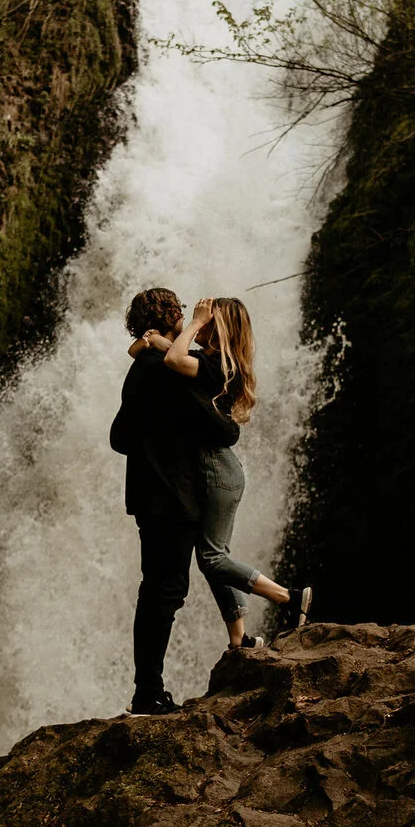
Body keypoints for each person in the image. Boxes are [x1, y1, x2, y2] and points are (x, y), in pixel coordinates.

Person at [132, 294, 310, 653]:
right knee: (213, 556)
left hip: (217, 469)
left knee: (212, 558)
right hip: (209, 470)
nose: (201, 323)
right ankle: (239, 638)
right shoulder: (209, 362)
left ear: (219, 330)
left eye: (210, 323)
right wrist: (150, 339)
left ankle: (289, 597)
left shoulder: (218, 366)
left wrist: (193, 322)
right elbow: (149, 352)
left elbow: (172, 357)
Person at [107, 287, 241, 715]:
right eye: (181, 310)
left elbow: (119, 437)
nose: (187, 314)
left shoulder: (140, 368)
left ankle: (148, 688)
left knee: (156, 592)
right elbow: (224, 431)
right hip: (174, 495)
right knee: (165, 594)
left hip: (146, 495)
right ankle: (148, 693)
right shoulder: (172, 372)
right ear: (170, 316)